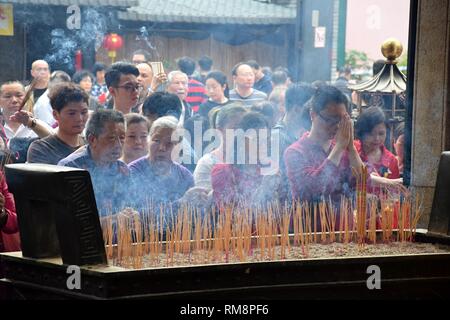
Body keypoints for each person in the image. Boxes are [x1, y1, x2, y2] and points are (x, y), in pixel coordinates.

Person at [285, 85, 365, 204]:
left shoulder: (343, 148)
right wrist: (338, 148)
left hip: (343, 221)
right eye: (329, 120)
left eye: (340, 121)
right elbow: (316, 189)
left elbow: (362, 182)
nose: (336, 126)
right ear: (313, 115)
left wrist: (351, 147)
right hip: (311, 222)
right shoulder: (295, 152)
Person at [58, 109, 129, 215]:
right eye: (111, 138)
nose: (118, 145)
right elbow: (69, 217)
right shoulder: (71, 169)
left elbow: (128, 204)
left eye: (122, 138)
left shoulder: (122, 170)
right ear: (92, 140)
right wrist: (113, 220)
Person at [211, 111, 279, 206]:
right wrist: (264, 189)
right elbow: (229, 211)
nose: (264, 145)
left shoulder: (271, 168)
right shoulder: (224, 172)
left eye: (266, 140)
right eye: (257, 139)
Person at [128, 116, 194, 208]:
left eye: (169, 143)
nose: (162, 148)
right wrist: (180, 204)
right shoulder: (132, 172)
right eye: (157, 140)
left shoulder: (185, 177)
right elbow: (134, 215)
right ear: (148, 141)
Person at [27, 83, 88, 165]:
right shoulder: (41, 149)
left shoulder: (90, 145)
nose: (79, 119)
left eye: (84, 112)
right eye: (72, 113)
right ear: (55, 114)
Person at [193, 104, 247, 191]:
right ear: (220, 130)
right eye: (235, 128)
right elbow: (203, 199)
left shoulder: (253, 160)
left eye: (245, 128)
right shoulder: (207, 163)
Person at [0, 81, 53, 162]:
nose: (14, 100)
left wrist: (31, 123)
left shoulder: (37, 124)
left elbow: (55, 142)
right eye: (7, 96)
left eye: (19, 95)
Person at [354, 106, 404, 192]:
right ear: (361, 132)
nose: (376, 138)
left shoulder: (391, 160)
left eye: (381, 133)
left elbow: (393, 193)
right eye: (371, 134)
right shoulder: (352, 149)